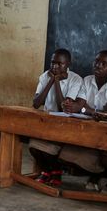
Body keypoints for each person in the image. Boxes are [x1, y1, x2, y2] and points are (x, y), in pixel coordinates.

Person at [61, 50, 107, 190]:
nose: (98, 65)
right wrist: (70, 106)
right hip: (91, 127)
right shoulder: (87, 80)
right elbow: (80, 104)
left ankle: (104, 179)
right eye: (97, 61)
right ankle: (93, 175)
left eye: (104, 64)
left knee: (106, 156)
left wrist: (89, 110)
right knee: (68, 151)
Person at [29, 48, 83, 185]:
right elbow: (36, 104)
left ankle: (55, 173)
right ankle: (47, 171)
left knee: (49, 150)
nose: (55, 66)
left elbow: (63, 107)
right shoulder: (45, 76)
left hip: (65, 124)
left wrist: (57, 82)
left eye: (60, 64)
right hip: (47, 121)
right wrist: (51, 80)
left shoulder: (76, 79)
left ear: (68, 64)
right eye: (53, 63)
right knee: (34, 147)